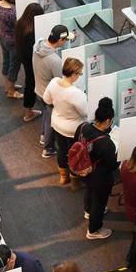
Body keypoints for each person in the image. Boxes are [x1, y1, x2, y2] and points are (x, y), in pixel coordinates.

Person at [78, 97, 119, 239]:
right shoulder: (106, 143)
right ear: (108, 121)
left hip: (85, 171)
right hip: (100, 178)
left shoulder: (84, 127)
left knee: (89, 192)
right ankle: (94, 230)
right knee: (99, 203)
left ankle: (87, 210)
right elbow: (113, 165)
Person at [43, 57, 88, 186]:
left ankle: (63, 177)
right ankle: (75, 180)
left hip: (57, 124)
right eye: (79, 73)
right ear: (73, 74)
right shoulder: (76, 93)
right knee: (75, 153)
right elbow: (85, 113)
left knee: (62, 150)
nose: (79, 76)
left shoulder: (54, 82)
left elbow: (47, 100)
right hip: (74, 129)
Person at [33, 25, 73, 159]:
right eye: (65, 40)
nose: (66, 42)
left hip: (38, 89)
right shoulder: (55, 61)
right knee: (51, 121)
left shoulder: (37, 46)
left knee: (46, 114)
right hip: (48, 95)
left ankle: (44, 137)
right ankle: (47, 148)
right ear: (60, 40)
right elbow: (61, 82)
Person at [15, 3, 44, 123]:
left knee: (30, 82)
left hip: (24, 58)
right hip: (30, 61)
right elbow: (32, 51)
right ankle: (29, 112)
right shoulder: (30, 32)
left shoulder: (21, 24)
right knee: (30, 83)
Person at [0, 0, 24, 99]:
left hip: (2, 37)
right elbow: (19, 26)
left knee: (6, 62)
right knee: (14, 66)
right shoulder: (12, 12)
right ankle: (11, 91)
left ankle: (7, 86)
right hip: (14, 41)